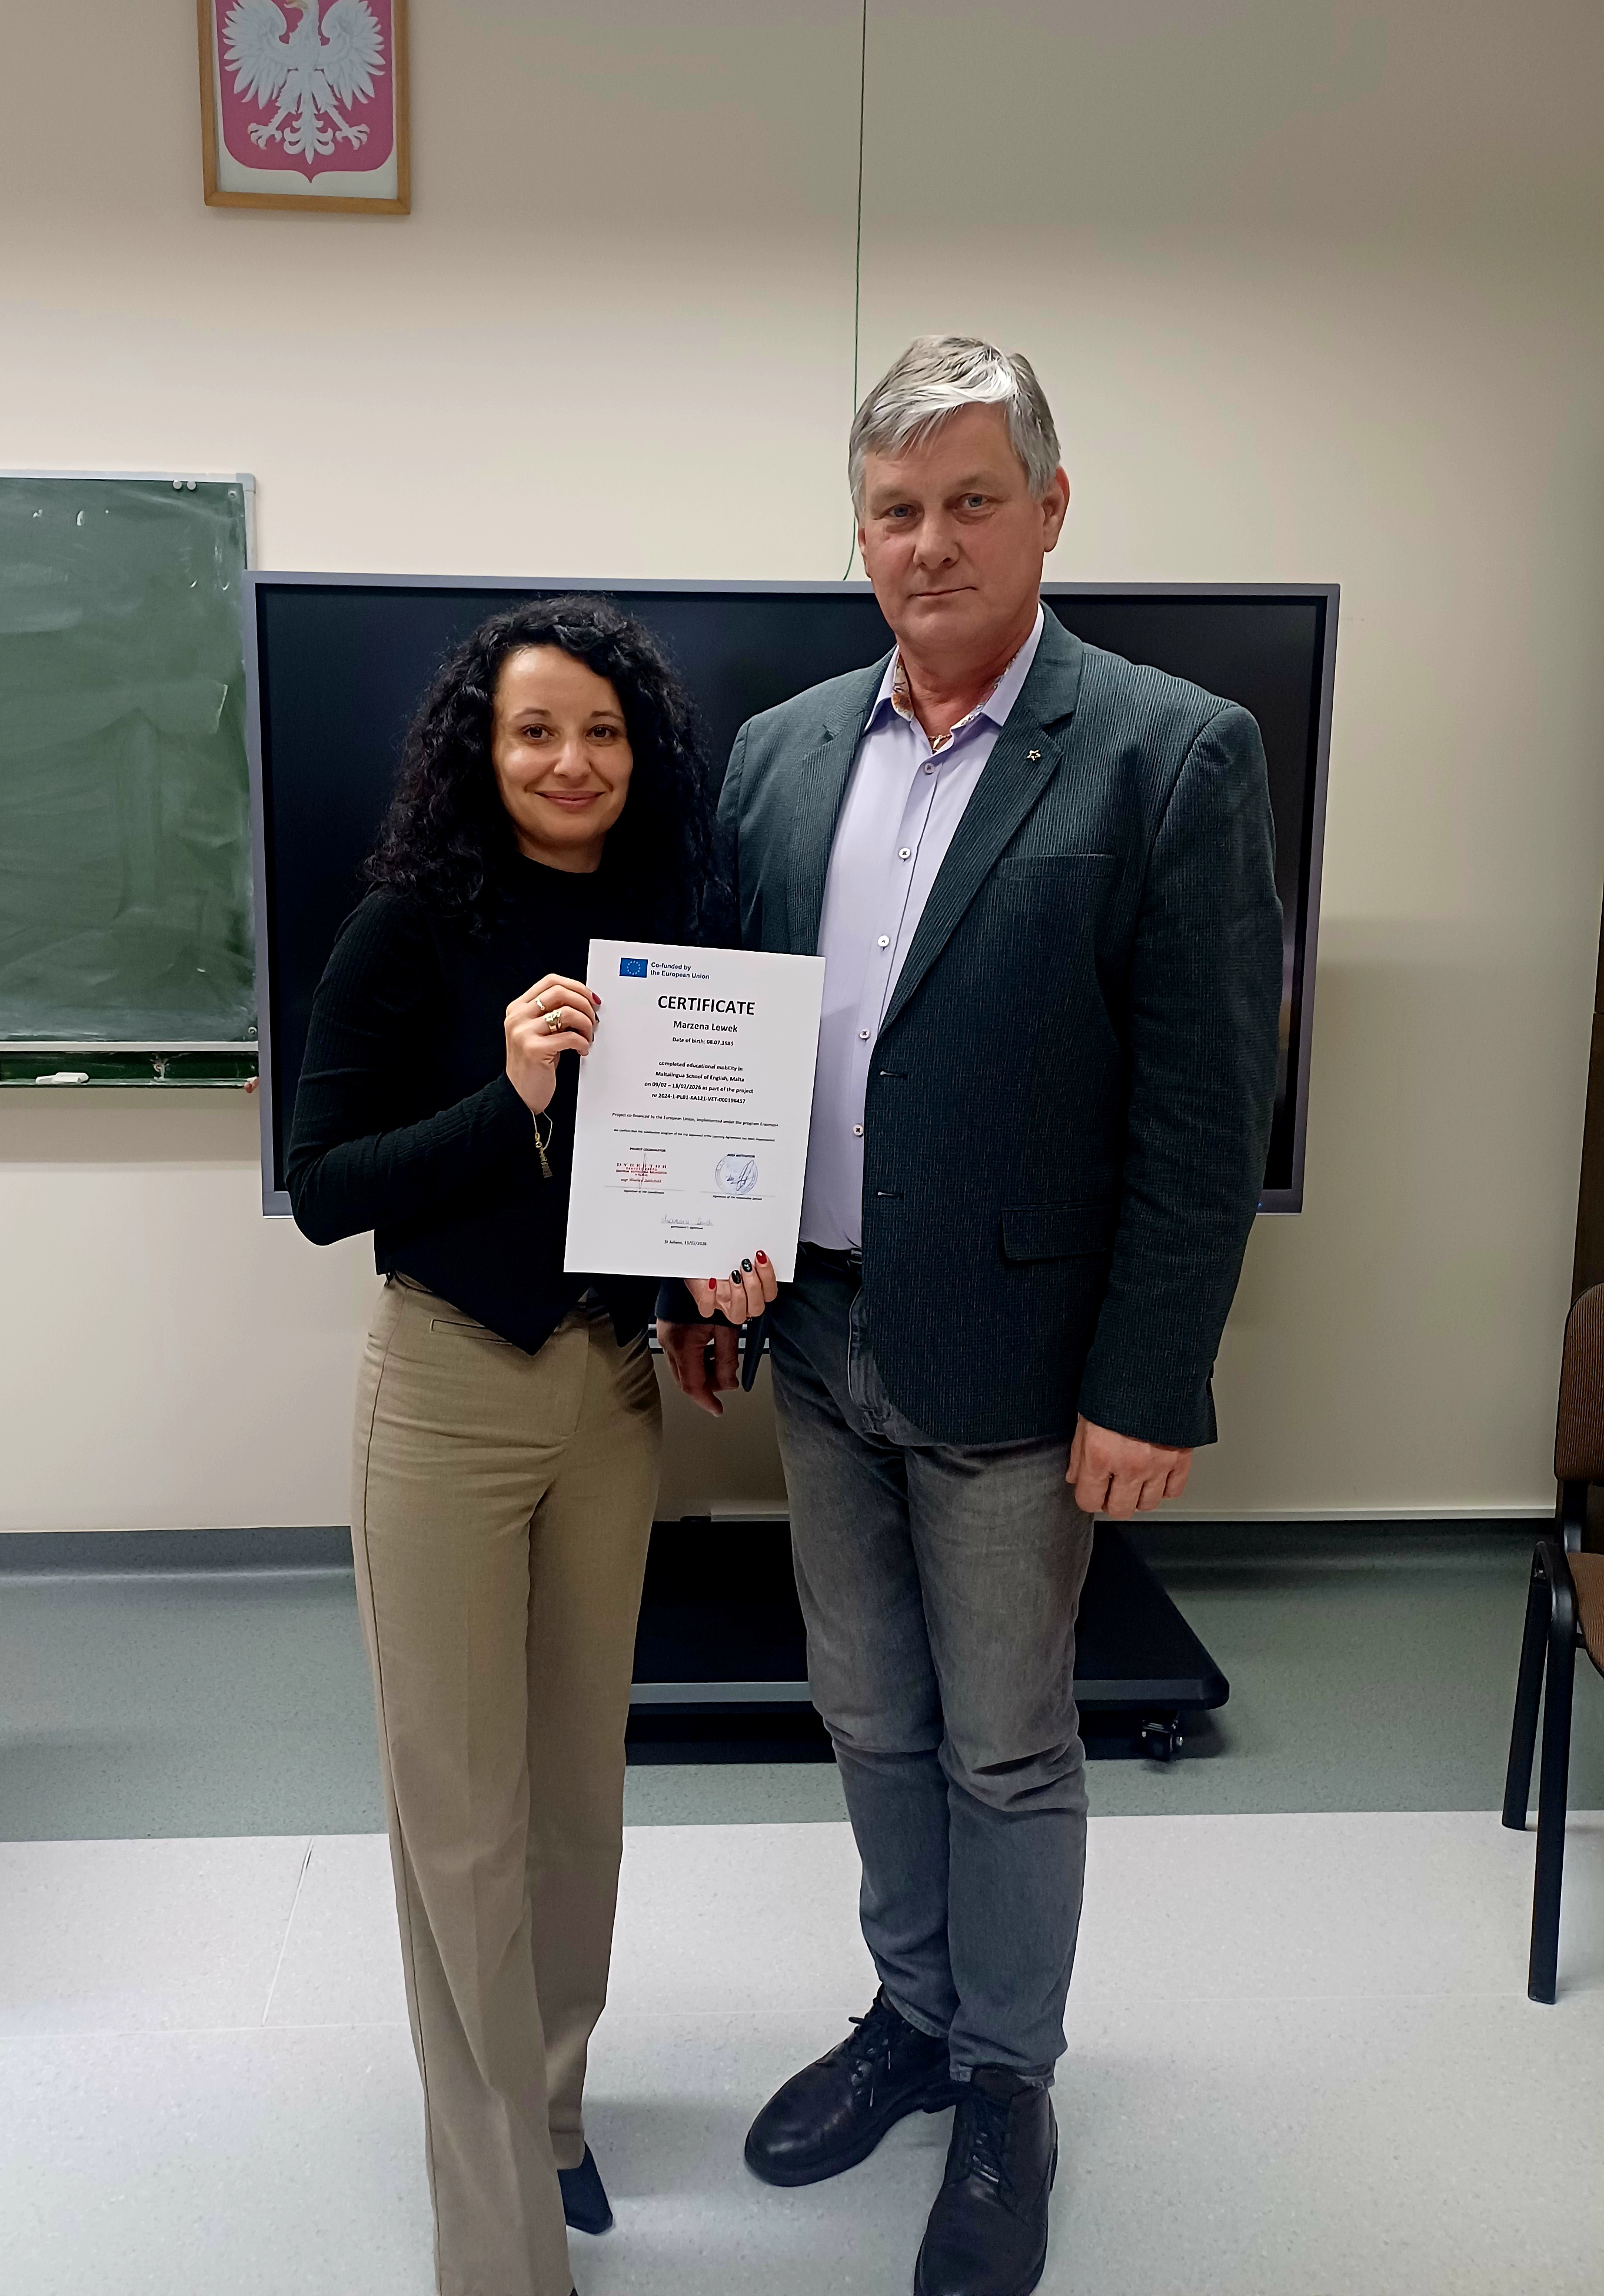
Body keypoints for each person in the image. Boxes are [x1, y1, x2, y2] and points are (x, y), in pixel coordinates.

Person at [661, 337, 1283, 2296]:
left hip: (1024, 1363)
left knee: (1007, 1748)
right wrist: (703, 1253)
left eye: (968, 502)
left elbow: (1206, 1108)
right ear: (859, 534)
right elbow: (732, 1047)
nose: (928, 543)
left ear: (1050, 510)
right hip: (818, 1343)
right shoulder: (779, 752)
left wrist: (1150, 1379)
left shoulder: (1171, 752)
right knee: (866, 1714)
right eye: (894, 511)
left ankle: (1009, 2083)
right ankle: (915, 2018)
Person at [287, 597, 711, 2296]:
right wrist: (511, 1096)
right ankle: (496, 2240)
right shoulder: (405, 929)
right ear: (482, 746)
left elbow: (679, 1180)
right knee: (460, 1822)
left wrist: (723, 1268)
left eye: (603, 731)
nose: (571, 761)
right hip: (447, 1393)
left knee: (574, 1801)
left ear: (639, 752)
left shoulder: (674, 927)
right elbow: (329, 1186)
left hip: (610, 1391)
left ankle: (552, 2115)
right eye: (536, 729)